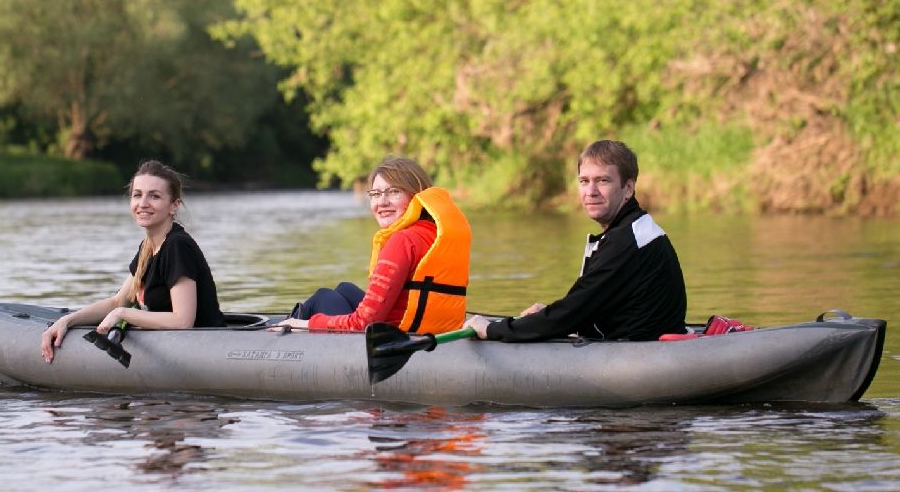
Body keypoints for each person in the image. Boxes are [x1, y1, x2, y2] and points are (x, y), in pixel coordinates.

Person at [464, 139, 686, 343]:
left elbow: (573, 311)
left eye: (602, 180)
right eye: (584, 181)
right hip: (635, 340)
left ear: (628, 188)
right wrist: (549, 314)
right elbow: (594, 306)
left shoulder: (626, 241)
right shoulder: (631, 229)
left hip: (640, 356)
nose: (591, 191)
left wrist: (492, 330)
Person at [40, 160, 223, 362]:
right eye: (137, 195)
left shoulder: (177, 246)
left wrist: (124, 314)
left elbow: (183, 320)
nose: (143, 203)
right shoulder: (148, 246)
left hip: (207, 350)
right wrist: (67, 320)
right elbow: (118, 301)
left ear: (174, 205)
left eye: (154, 196)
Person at [274, 155, 471, 334]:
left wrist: (309, 323)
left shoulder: (402, 241)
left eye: (393, 192)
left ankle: (286, 331)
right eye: (376, 194)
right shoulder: (434, 233)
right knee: (345, 289)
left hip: (398, 339)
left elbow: (361, 323)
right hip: (430, 330)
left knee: (323, 298)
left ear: (416, 196)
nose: (382, 202)